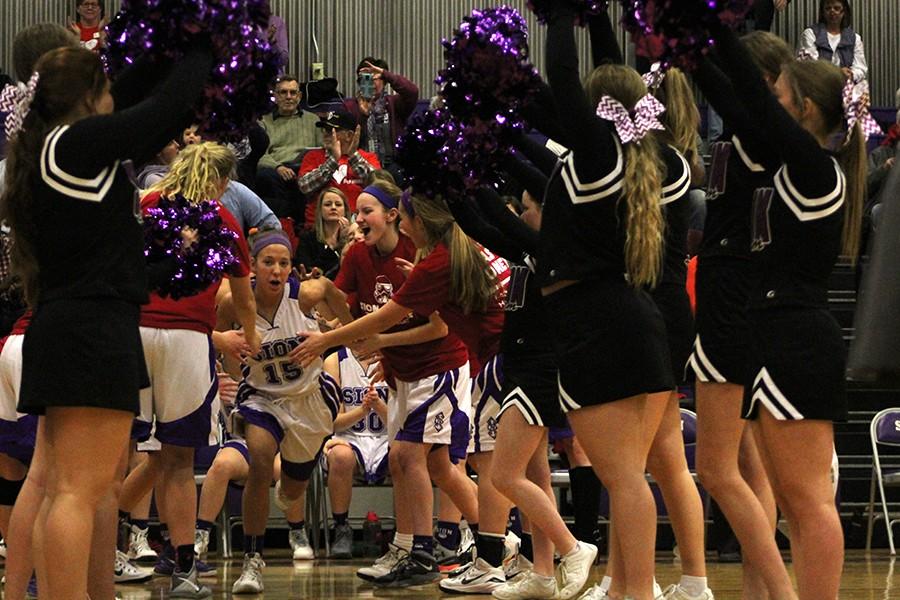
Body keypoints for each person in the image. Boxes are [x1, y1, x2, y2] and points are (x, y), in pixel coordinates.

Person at [0, 37, 213, 599]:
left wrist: (169, 49)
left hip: (78, 323)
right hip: (89, 331)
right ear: (91, 96)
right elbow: (160, 112)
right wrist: (203, 45)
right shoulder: (73, 143)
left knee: (71, 488)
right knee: (77, 490)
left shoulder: (54, 146)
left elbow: (132, 96)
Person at [704, 19, 864, 599]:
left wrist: (709, 22)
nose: (768, 106)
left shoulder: (815, 167)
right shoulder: (791, 161)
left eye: (780, 99)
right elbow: (734, 97)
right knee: (791, 505)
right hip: (770, 334)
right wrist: (689, 46)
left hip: (798, 338)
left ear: (807, 111)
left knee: (809, 500)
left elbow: (745, 91)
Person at [525, 2, 675, 598]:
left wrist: (562, 14)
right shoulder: (618, 155)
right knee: (627, 477)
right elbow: (577, 85)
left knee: (624, 478)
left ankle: (634, 592)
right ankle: (625, 589)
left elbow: (562, 78)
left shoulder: (598, 154)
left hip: (598, 322)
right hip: (615, 319)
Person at [295, 189, 504, 588]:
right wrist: (327, 314)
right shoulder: (358, 255)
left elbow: (435, 327)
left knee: (410, 456)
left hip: (439, 364)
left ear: (395, 216)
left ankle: (427, 551)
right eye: (355, 212)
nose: (358, 220)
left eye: (366, 210)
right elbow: (353, 313)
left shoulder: (423, 250)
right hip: (401, 370)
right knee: (423, 464)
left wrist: (353, 343)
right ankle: (461, 542)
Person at [687, 31, 798, 600]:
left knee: (716, 469)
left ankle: (781, 591)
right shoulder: (758, 133)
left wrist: (688, 38)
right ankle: (761, 594)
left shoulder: (757, 128)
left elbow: (717, 80)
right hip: (742, 287)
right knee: (751, 466)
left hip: (730, 290)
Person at [138, 141, 260, 597]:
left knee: (116, 457)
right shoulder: (222, 217)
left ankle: (99, 559)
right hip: (188, 341)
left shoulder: (148, 204)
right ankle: (184, 569)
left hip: (134, 334)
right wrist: (251, 332)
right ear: (223, 182)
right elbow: (242, 293)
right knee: (178, 460)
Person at [225, 228, 353, 593]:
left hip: (309, 398)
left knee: (293, 490)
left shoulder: (308, 295)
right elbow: (214, 335)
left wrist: (332, 334)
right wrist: (228, 351)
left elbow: (341, 307)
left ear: (291, 268)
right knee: (260, 460)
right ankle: (252, 561)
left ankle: (289, 491)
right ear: (254, 265)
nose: (276, 270)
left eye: (283, 263)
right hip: (262, 396)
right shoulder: (233, 302)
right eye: (268, 262)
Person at [320, 347, 389, 558]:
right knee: (340, 456)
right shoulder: (335, 361)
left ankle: (406, 535)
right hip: (348, 436)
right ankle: (341, 528)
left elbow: (401, 422)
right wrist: (362, 410)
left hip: (387, 436)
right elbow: (332, 422)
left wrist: (379, 406)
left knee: (405, 457)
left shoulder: (395, 355)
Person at [298, 110, 381, 224]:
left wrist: (353, 156)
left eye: (333, 130)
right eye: (325, 129)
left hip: (358, 225)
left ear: (349, 135)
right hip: (319, 228)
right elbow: (304, 186)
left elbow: (378, 185)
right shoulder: (313, 156)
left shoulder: (368, 157)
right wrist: (333, 160)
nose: (326, 133)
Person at [255, 75, 320, 220]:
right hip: (277, 170)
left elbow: (321, 150)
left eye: (293, 92)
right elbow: (259, 155)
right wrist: (278, 167)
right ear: (276, 96)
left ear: (299, 96)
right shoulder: (264, 121)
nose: (289, 97)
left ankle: (295, 220)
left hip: (305, 169)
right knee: (264, 176)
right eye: (283, 92)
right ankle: (287, 221)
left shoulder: (313, 120)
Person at [343, 57, 420, 177]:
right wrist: (363, 115)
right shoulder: (350, 107)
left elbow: (412, 92)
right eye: (366, 78)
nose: (371, 83)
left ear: (384, 82)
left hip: (393, 165)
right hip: (362, 165)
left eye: (375, 78)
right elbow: (347, 140)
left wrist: (385, 74)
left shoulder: (394, 104)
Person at [800, 0, 868, 82]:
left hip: (846, 90)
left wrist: (851, 74)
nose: (832, 11)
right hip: (818, 87)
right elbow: (809, 66)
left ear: (844, 12)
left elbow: (861, 68)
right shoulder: (810, 34)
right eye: (828, 8)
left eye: (837, 8)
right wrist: (837, 73)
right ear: (823, 12)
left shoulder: (855, 38)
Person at [294, 186, 352, 278]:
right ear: (320, 210)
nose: (333, 208)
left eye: (338, 204)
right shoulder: (307, 239)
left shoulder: (353, 239)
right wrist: (332, 247)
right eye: (328, 204)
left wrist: (346, 240)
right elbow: (309, 271)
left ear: (345, 210)